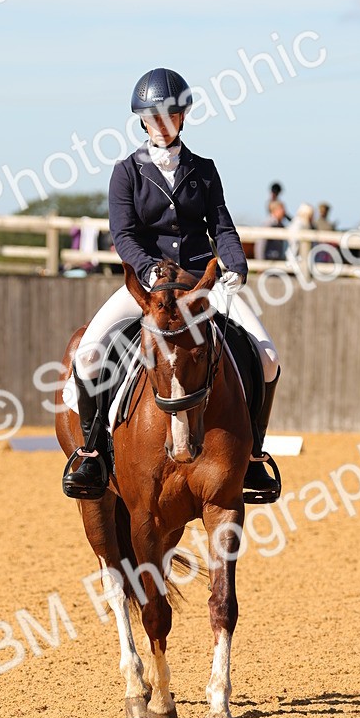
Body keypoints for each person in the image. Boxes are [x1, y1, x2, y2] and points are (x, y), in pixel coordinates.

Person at [62, 67, 281, 502]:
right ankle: (91, 454)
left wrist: (234, 265)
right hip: (149, 285)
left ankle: (253, 456)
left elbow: (222, 226)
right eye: (154, 116)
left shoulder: (204, 170)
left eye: (171, 115)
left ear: (183, 118)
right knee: (88, 353)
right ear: (143, 120)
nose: (163, 123)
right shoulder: (126, 172)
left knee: (268, 355)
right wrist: (145, 270)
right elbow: (123, 234)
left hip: (200, 283)